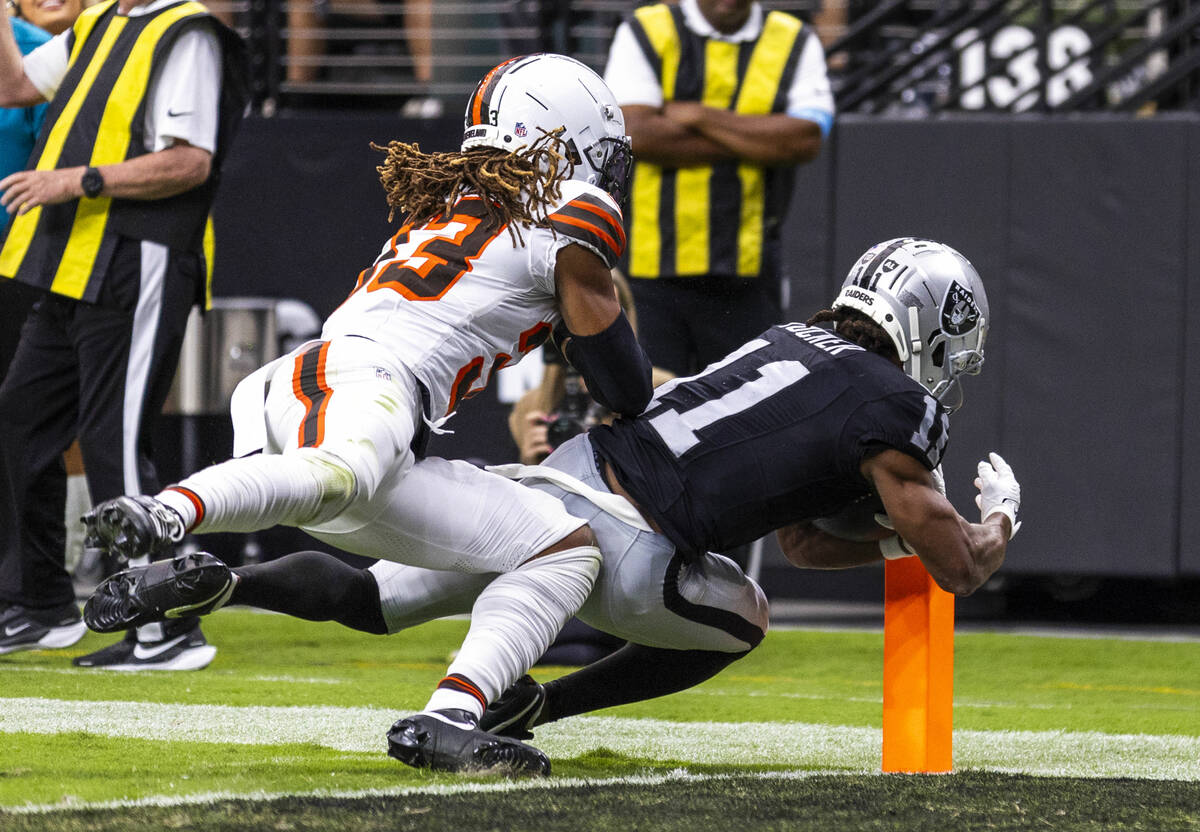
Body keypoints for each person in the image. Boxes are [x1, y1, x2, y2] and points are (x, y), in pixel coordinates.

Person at [83, 237, 1022, 770]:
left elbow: (813, 539)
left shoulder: (786, 343)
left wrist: (895, 540)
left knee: (377, 599)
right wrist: (996, 527)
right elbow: (957, 567)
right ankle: (528, 713)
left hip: (561, 472)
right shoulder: (896, 403)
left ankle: (223, 585)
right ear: (932, 324)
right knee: (747, 617)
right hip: (632, 546)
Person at [82, 54, 652, 774]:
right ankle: (162, 515)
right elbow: (627, 387)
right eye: (598, 152)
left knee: (559, 549)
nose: (607, 172)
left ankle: (451, 717)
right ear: (556, 138)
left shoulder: (455, 205)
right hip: (365, 380)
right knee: (340, 474)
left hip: (323, 388)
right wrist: (576, 327)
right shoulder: (571, 211)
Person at [0, 0, 248, 666]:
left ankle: (164, 625)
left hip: (141, 258)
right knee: (20, 418)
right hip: (71, 261)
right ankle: (42, 605)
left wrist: (75, 180)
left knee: (117, 439)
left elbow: (190, 163)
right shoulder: (101, 21)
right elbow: (14, 86)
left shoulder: (185, 32)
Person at [603, 0, 835, 378]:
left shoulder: (794, 38)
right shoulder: (645, 30)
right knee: (644, 413)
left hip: (748, 272)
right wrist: (756, 140)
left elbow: (804, 140)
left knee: (753, 412)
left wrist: (698, 115)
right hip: (649, 275)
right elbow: (635, 132)